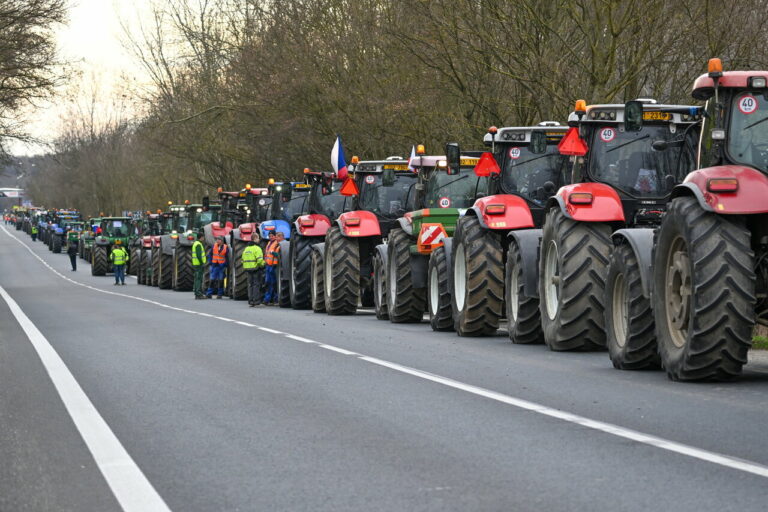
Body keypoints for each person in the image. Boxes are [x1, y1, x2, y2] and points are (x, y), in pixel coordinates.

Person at [243, 232, 266, 306]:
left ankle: (251, 300)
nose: (259, 239)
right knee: (256, 285)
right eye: (258, 238)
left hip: (248, 269)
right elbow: (259, 260)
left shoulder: (246, 248)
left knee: (250, 285)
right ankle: (256, 301)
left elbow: (243, 259)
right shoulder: (257, 248)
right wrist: (263, 264)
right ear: (255, 239)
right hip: (256, 269)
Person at [264, 231, 281, 304]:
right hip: (268, 265)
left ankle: (274, 298)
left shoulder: (276, 243)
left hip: (273, 266)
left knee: (273, 283)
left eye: (272, 236)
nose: (271, 237)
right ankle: (268, 299)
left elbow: (276, 254)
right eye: (270, 236)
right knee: (268, 282)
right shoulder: (268, 243)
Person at [192, 232, 206, 299]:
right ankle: (198, 293)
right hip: (198, 264)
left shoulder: (196, 243)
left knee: (197, 278)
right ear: (201, 237)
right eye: (203, 237)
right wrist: (202, 263)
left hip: (196, 263)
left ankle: (197, 292)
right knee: (199, 279)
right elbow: (199, 255)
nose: (204, 238)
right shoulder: (198, 244)